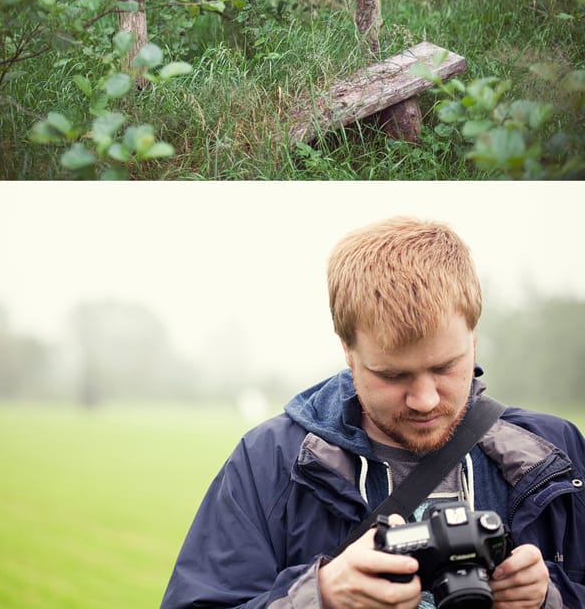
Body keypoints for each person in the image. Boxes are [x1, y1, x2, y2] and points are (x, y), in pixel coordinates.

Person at [160, 217, 585, 609]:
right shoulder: (269, 462)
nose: (425, 400)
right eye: (392, 375)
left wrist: (551, 596)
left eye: (444, 367)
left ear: (473, 336)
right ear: (347, 350)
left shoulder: (554, 453)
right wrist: (321, 595)